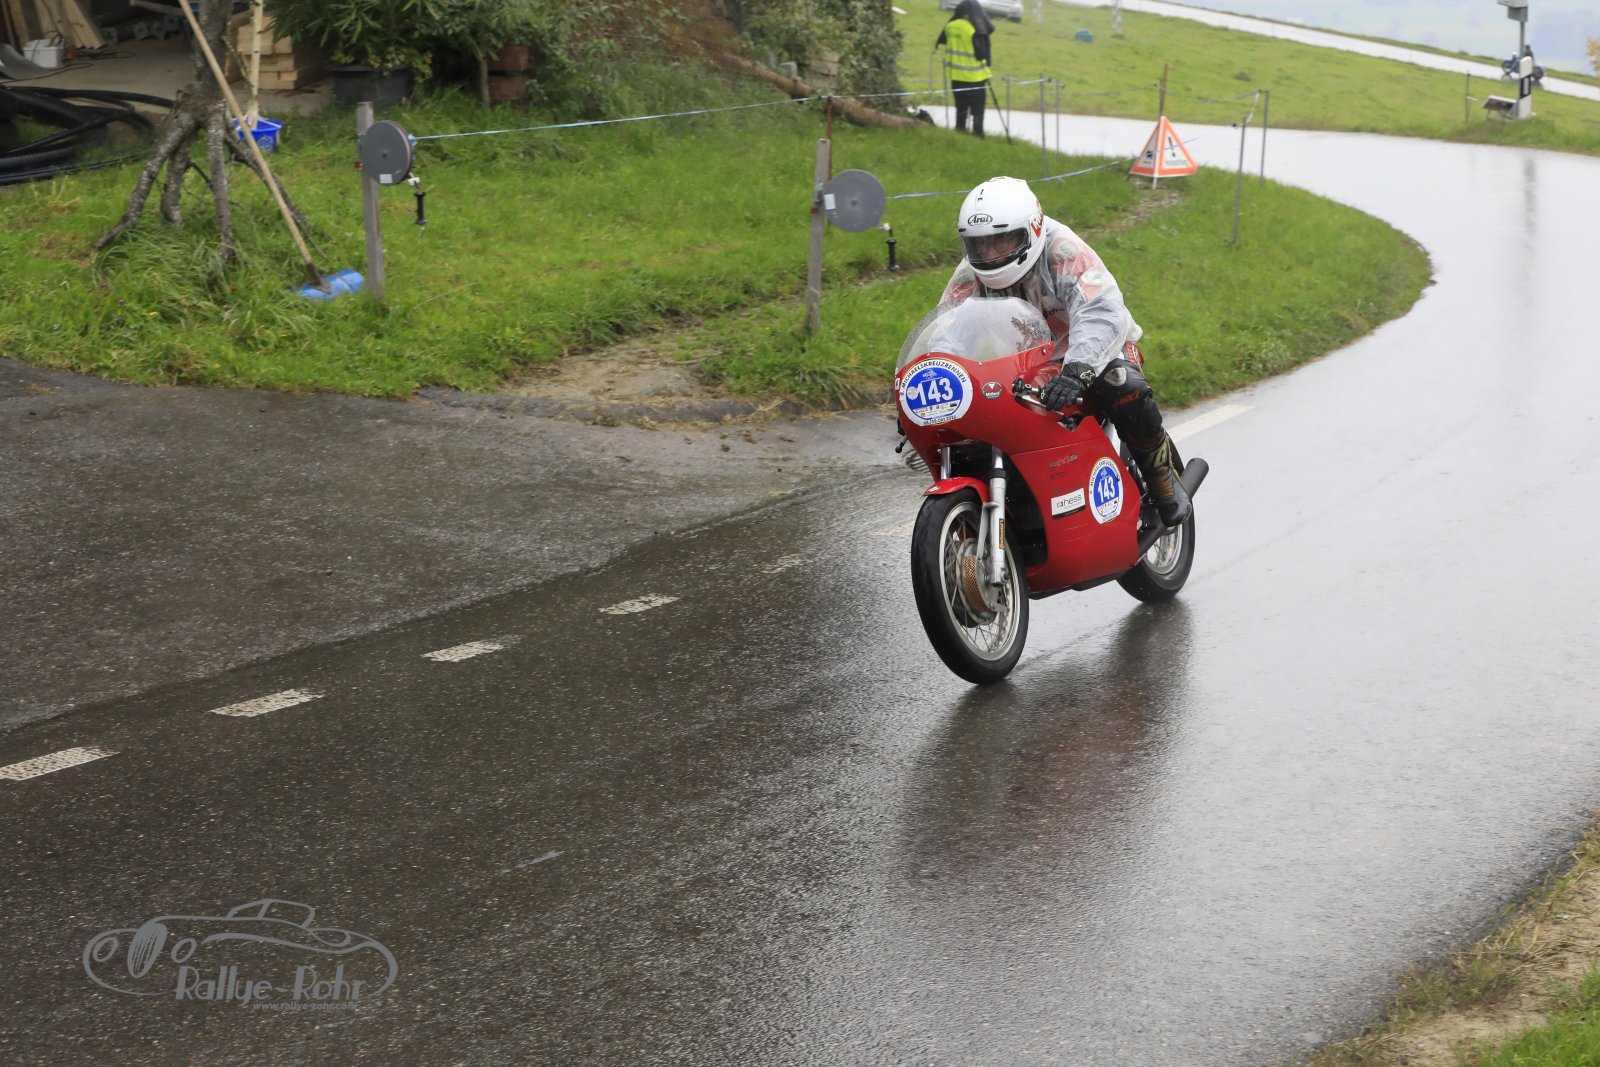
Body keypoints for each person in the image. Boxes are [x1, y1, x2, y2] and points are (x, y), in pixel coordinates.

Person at [942, 175, 1192, 526]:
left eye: (1001, 240)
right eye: (979, 244)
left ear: (1031, 230)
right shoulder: (972, 273)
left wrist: (1077, 370)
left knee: (1122, 384)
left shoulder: (1063, 251)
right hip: (1028, 362)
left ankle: (1161, 475)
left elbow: (1101, 312)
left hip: (1099, 350)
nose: (989, 253)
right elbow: (947, 329)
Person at [935, 0, 993, 138]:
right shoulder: (974, 29)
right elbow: (982, 54)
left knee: (960, 109)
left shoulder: (950, 27)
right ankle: (977, 135)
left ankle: (960, 132)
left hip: (956, 76)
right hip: (975, 77)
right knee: (977, 111)